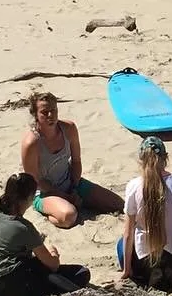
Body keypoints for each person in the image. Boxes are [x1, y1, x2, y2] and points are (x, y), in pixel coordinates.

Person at [0, 173, 90, 296]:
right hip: (8, 288)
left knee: (36, 266)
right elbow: (53, 265)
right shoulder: (23, 227)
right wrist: (53, 252)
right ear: (29, 198)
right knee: (81, 273)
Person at [20, 91, 123, 229]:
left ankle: (77, 202)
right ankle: (53, 212)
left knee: (118, 204)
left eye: (53, 111)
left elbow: (76, 161)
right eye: (45, 112)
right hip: (44, 193)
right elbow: (34, 181)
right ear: (36, 115)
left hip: (70, 182)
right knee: (69, 216)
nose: (50, 116)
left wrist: (73, 187)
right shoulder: (31, 143)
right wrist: (64, 196)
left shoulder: (69, 129)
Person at [120, 136, 172, 292]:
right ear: (166, 158)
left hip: (145, 260)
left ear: (141, 160)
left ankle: (148, 273)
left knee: (121, 243)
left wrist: (126, 271)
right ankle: (167, 271)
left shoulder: (134, 186)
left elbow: (128, 233)